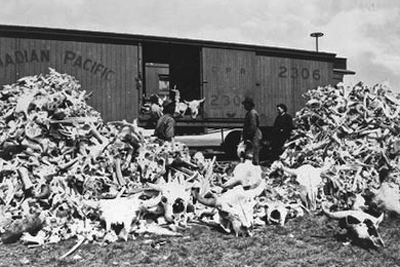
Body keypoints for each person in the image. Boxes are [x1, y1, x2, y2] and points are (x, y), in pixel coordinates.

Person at [241, 97, 262, 165]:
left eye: (245, 104)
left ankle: (255, 166)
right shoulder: (249, 113)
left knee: (254, 152)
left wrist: (248, 136)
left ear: (248, 104)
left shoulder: (252, 113)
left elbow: (253, 126)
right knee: (251, 151)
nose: (244, 106)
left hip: (254, 135)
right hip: (253, 135)